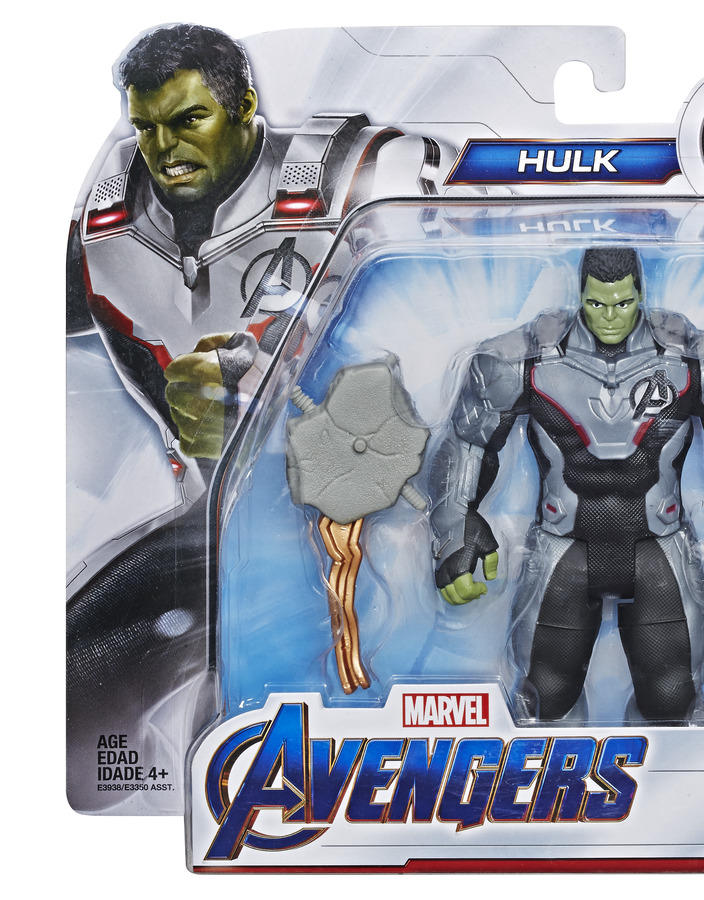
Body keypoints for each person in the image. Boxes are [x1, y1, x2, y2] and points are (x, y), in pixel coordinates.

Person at [66, 23, 459, 810]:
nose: (164, 149)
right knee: (80, 716)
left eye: (189, 120)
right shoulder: (105, 217)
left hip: (381, 521)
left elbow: (462, 325)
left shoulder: (364, 176)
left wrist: (276, 391)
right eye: (146, 126)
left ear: (245, 106)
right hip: (221, 527)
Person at [429, 246, 704, 724]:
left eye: (622, 303)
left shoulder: (696, 361)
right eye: (597, 303)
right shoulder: (524, 360)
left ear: (640, 295)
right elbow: (468, 444)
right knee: (544, 701)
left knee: (672, 701)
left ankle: (675, 774)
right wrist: (455, 526)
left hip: (657, 546)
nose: (610, 317)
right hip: (563, 546)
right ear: (581, 295)